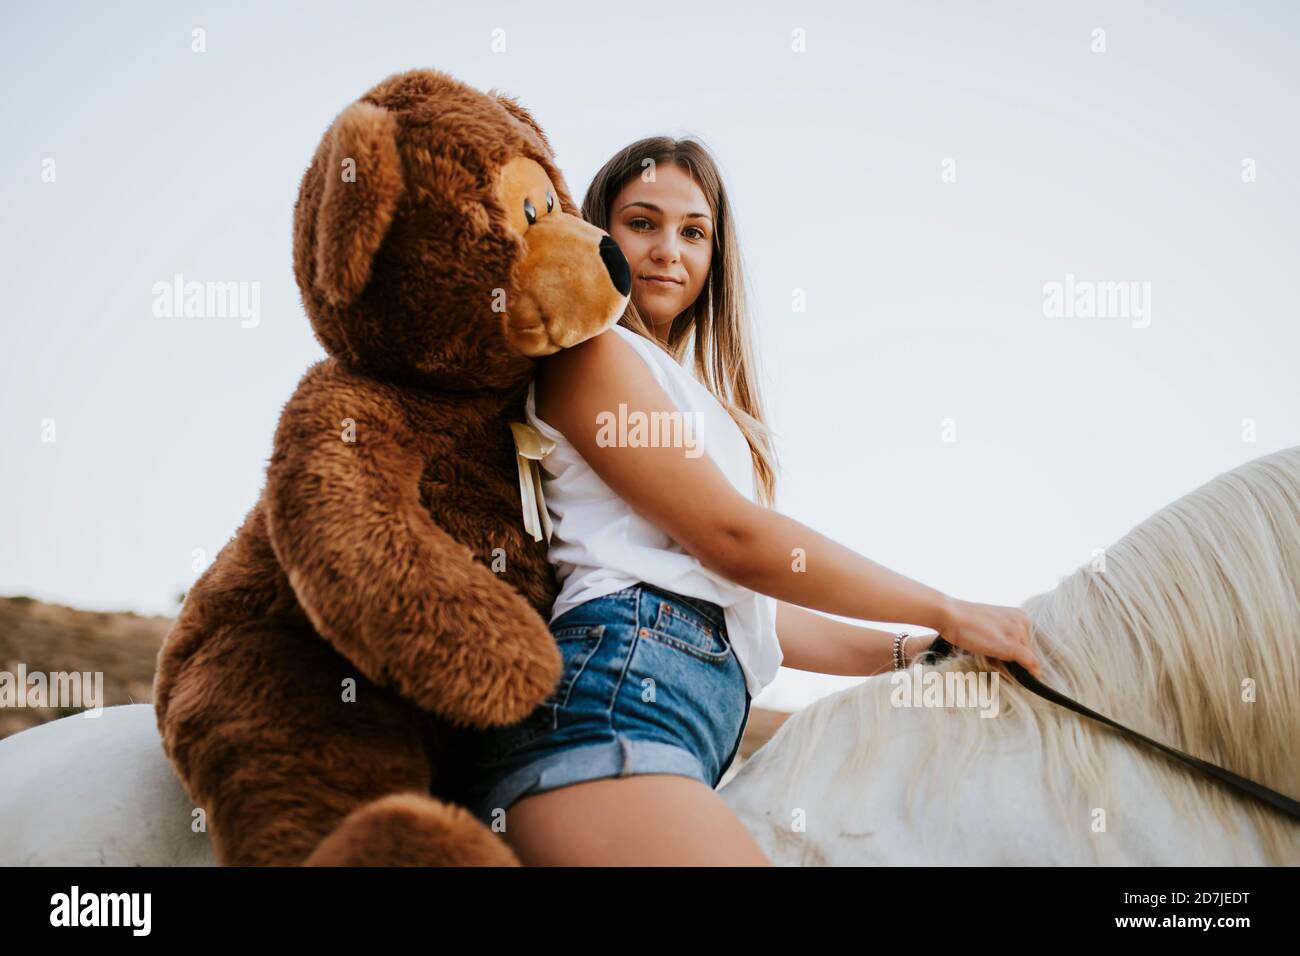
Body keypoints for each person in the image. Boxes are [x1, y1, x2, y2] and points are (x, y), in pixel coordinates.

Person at [463, 136, 1042, 866]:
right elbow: (734, 540)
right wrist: (944, 607)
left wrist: (909, 652)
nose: (668, 248)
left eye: (694, 232)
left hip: (677, 705)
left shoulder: (695, 402)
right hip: (617, 694)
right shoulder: (594, 353)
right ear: (600, 233)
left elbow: (749, 603)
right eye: (642, 223)